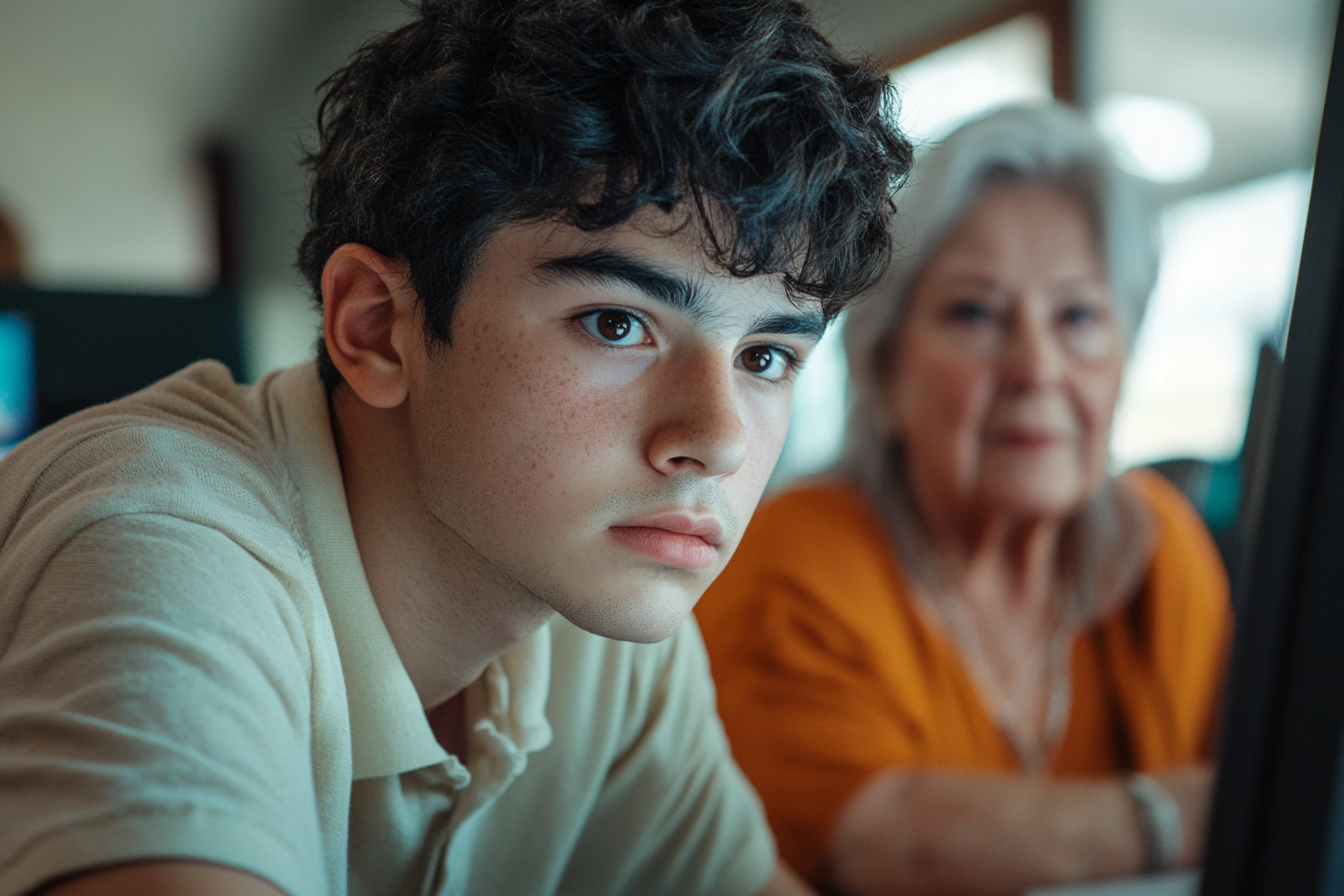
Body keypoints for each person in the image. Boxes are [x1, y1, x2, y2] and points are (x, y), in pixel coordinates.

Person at [0, 2, 911, 895]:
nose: (714, 441)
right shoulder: (156, 536)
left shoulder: (606, 596)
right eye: (616, 322)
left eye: (765, 356)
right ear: (378, 329)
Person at [697, 103, 1232, 896]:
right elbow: (882, 846)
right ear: (884, 370)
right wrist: (1182, 815)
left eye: (1079, 316)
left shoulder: (1159, 542)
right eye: (976, 313)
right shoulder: (798, 555)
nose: (1037, 369)